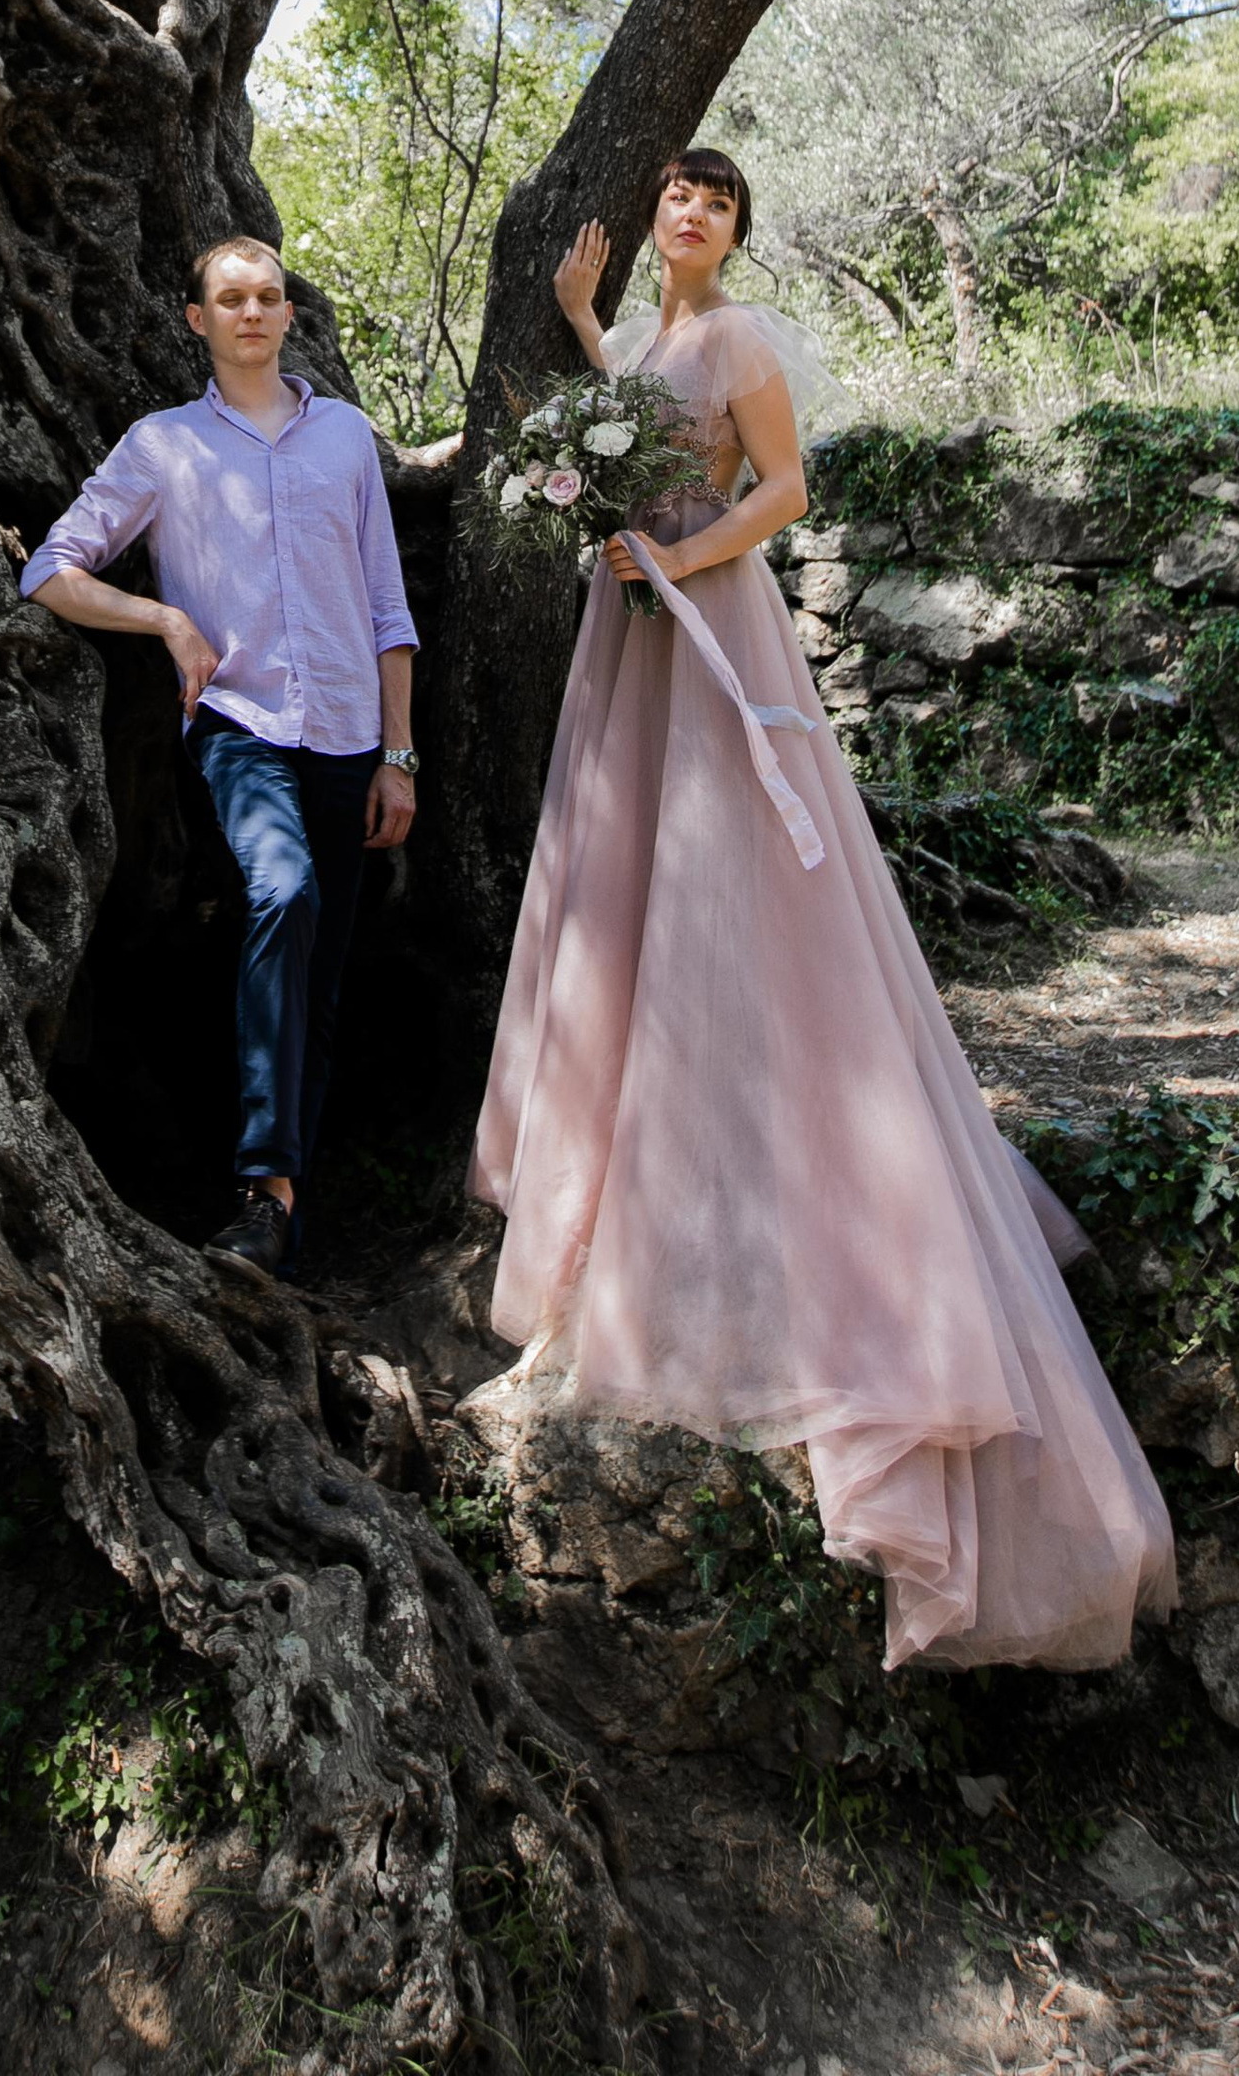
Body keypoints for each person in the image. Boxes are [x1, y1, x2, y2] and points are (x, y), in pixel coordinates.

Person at [471, 148, 1174, 1672]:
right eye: (678, 197)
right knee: (629, 871)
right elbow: (645, 436)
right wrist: (586, 331)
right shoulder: (653, 341)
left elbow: (778, 487)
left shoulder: (746, 337)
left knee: (733, 895)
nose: (693, 215)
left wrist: (679, 555)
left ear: (740, 230)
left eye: (716, 202)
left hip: (708, 620)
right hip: (637, 625)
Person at [21, 235, 418, 1277]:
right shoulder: (161, 447)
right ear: (197, 319)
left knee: (321, 979)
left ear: (290, 315)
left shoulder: (344, 437)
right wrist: (164, 620)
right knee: (279, 895)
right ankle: (258, 1184)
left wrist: (401, 755)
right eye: (230, 299)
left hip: (348, 731)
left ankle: (285, 1213)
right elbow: (51, 568)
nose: (251, 312)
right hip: (241, 726)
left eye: (269, 297)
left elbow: (387, 605)